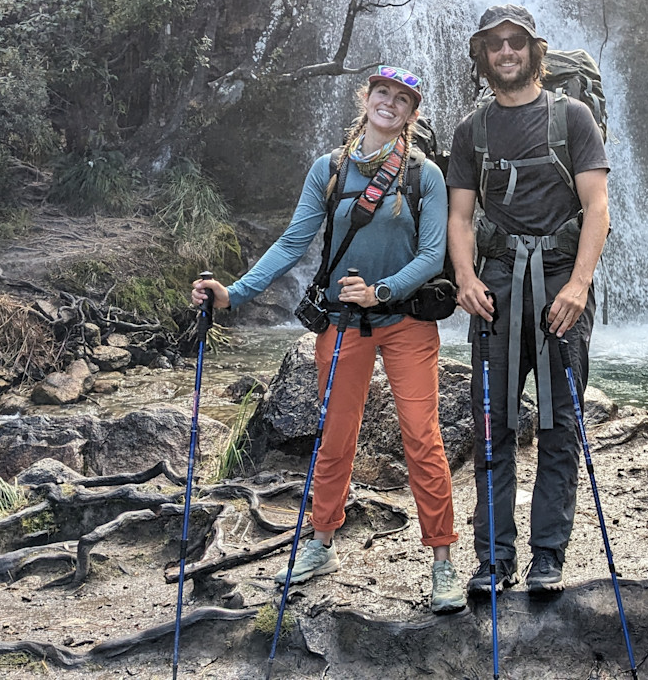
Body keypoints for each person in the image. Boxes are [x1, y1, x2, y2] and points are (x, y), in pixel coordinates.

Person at [191, 66, 465, 614]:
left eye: (402, 99)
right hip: (342, 322)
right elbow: (294, 242)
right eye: (382, 92)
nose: (390, 103)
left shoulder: (424, 176)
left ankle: (442, 560)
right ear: (365, 99)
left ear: (413, 113)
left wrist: (382, 290)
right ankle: (320, 542)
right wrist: (234, 295)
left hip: (407, 320)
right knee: (334, 436)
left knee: (421, 436)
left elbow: (434, 255)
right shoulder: (330, 170)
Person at [447, 5, 611, 596]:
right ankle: (492, 559)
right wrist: (465, 278)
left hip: (563, 281)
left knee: (561, 422)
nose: (506, 52)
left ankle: (548, 556)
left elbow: (597, 207)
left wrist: (578, 285)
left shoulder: (573, 117)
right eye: (495, 45)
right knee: (492, 424)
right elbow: (460, 215)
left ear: (533, 52)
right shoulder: (472, 132)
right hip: (496, 288)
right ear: (483, 57)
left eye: (516, 42)